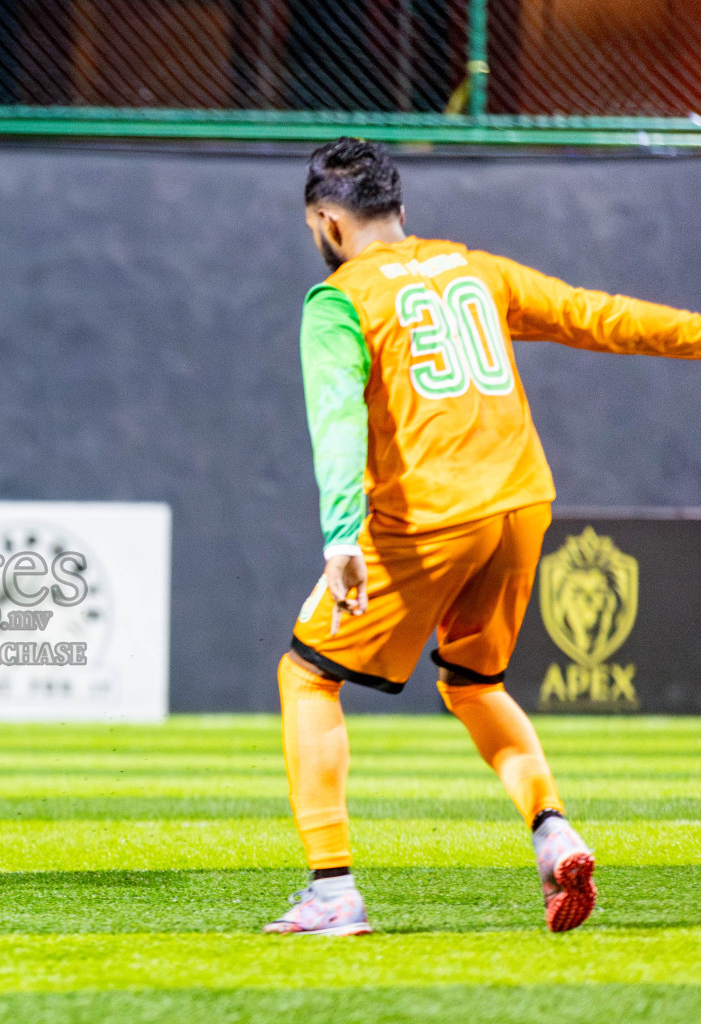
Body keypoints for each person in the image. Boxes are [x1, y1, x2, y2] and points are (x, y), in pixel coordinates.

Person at [267, 138, 701, 935]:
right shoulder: (475, 268)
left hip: (431, 518)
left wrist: (340, 533)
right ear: (401, 208)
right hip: (522, 505)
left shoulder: (339, 301)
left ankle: (332, 891)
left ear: (327, 223)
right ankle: (551, 829)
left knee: (306, 676)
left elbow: (333, 419)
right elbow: (594, 315)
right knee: (473, 684)